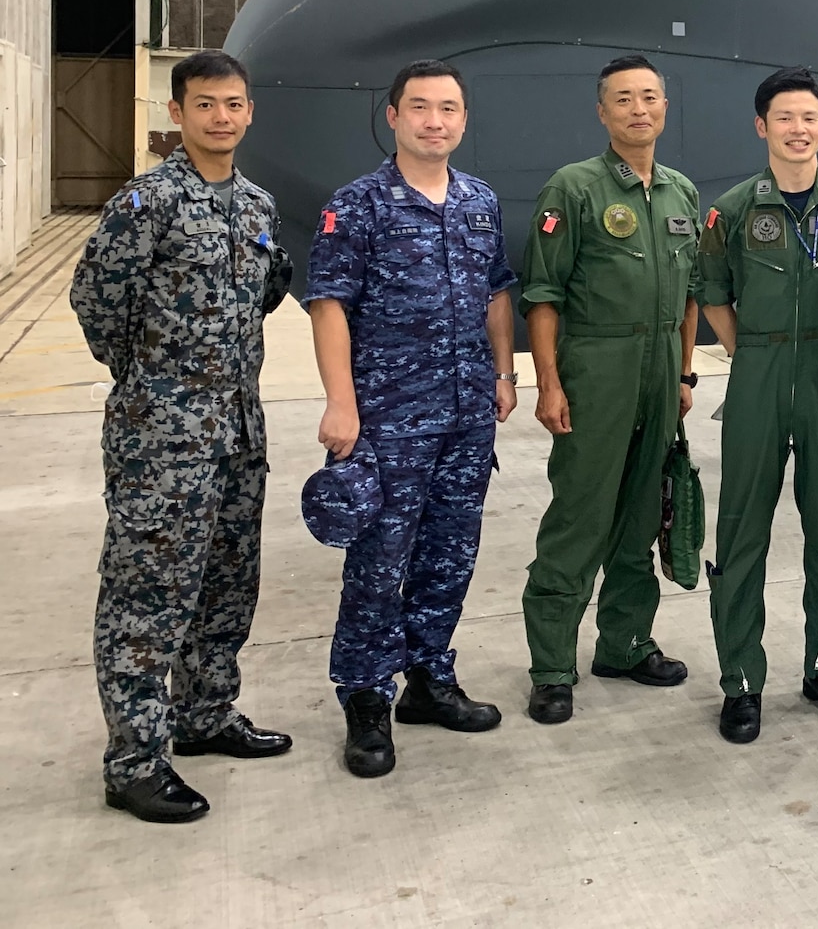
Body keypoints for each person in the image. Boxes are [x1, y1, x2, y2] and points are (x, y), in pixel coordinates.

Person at [73, 49, 293, 825]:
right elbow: (100, 304)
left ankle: (205, 714)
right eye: (204, 105)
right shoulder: (147, 203)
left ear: (249, 111)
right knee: (149, 596)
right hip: (161, 437)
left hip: (238, 428)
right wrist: (152, 383)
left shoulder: (259, 207)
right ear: (178, 114)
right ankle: (134, 759)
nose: (220, 117)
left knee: (227, 581)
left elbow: (267, 293)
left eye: (233, 104)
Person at [306, 60, 518, 777]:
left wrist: (503, 373)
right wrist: (341, 401)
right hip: (389, 417)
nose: (436, 120)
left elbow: (496, 295)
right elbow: (328, 302)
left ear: (463, 119)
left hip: (466, 415)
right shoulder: (359, 205)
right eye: (421, 107)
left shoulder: (479, 202)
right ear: (392, 116)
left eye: (449, 108)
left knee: (450, 552)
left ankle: (429, 678)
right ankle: (366, 696)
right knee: (378, 562)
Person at [519, 55, 702, 725]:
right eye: (623, 99)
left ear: (664, 107)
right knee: (581, 516)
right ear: (602, 112)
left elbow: (691, 296)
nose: (638, 109)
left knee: (640, 517)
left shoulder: (682, 192)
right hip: (596, 367)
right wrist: (549, 382)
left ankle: (625, 644)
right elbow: (542, 294)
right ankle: (551, 666)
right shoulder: (574, 188)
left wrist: (684, 374)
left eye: (650, 97)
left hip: (660, 376)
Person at [699, 67, 818, 744]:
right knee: (741, 530)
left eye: (809, 118)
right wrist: (754, 351)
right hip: (760, 373)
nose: (797, 129)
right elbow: (713, 292)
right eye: (784, 118)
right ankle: (741, 681)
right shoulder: (735, 209)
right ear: (761, 126)